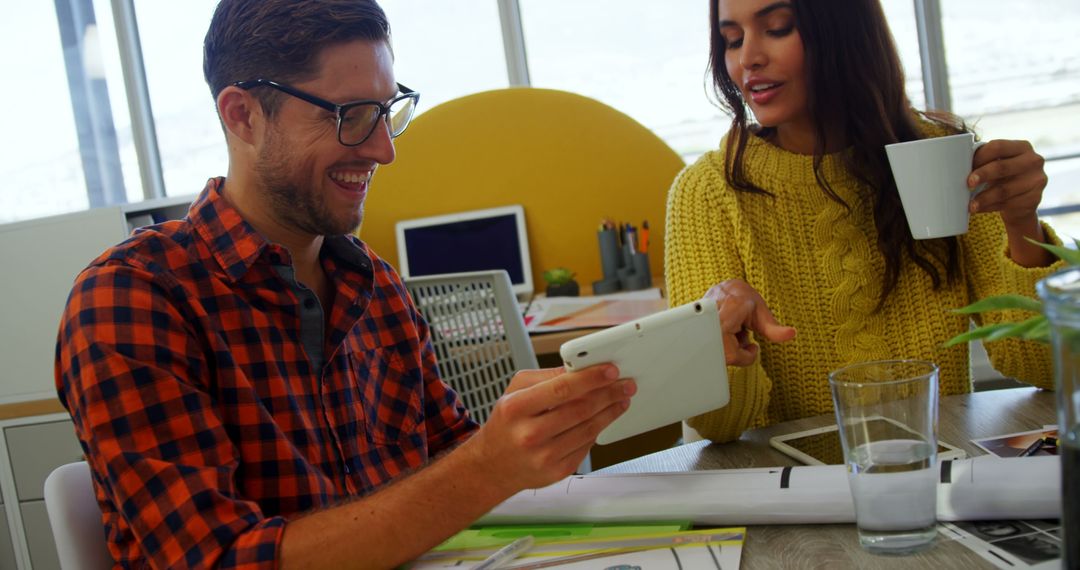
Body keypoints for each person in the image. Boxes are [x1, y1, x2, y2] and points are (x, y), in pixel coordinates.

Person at [54, 1, 780, 567]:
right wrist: (484, 467)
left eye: (387, 109)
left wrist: (615, 383)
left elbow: (452, 473)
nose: (384, 148)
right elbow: (218, 561)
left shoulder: (374, 286)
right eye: (350, 117)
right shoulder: (134, 302)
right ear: (242, 115)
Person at [665, 0, 1062, 443]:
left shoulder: (944, 158)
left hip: (937, 476)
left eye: (778, 28)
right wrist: (716, 338)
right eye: (732, 40)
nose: (747, 59)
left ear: (845, 30)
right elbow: (720, 426)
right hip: (790, 496)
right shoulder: (706, 192)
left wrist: (1022, 222)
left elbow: (1044, 367)